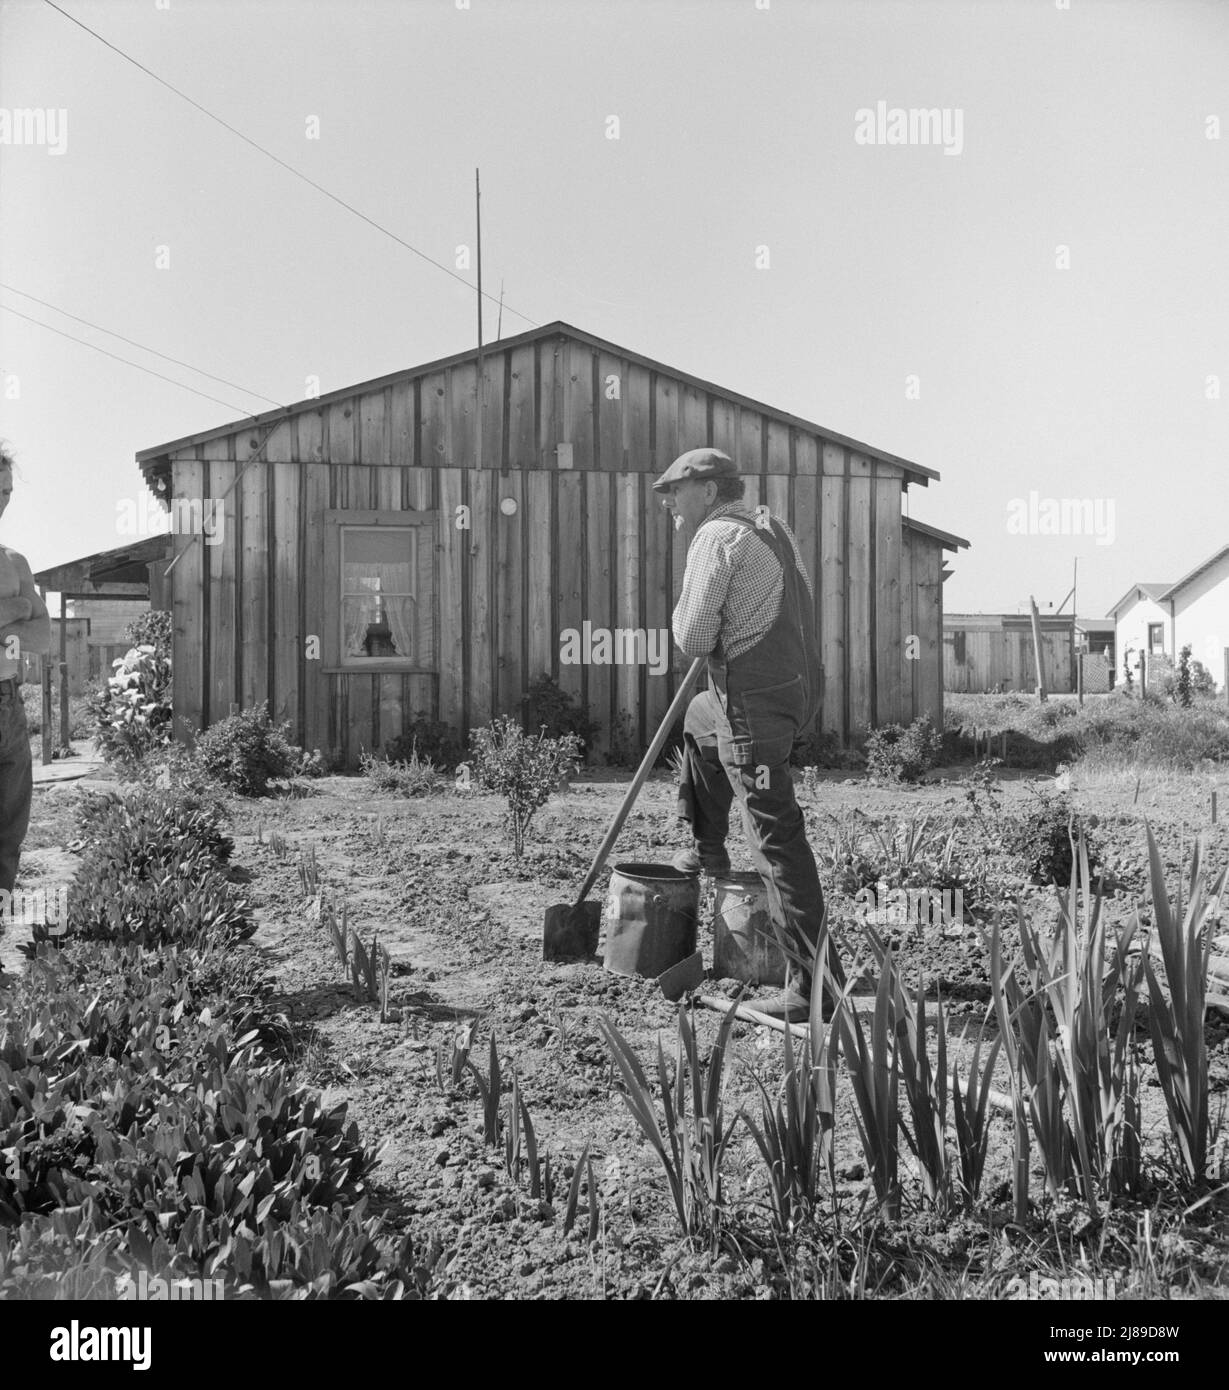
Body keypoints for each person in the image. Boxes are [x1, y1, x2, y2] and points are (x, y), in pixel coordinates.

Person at [655, 446, 841, 1022]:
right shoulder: (771, 526)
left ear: (708, 492)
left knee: (774, 838)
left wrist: (695, 618)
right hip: (792, 690)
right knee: (696, 719)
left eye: (676, 495)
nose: (671, 509)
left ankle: (812, 987)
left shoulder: (714, 539)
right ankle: (707, 848)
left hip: (753, 705)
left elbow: (691, 634)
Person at [0, 445, 52, 952]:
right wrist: (14, 611)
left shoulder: (15, 561)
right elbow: (25, 627)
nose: (1, 502)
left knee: (9, 830)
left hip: (8, 705)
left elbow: (43, 639)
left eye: (7, 492)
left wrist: (11, 610)